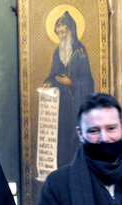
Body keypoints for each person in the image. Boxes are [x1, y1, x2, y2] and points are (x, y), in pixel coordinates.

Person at [42, 11, 95, 167]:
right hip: (61, 103)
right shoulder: (57, 52)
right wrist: (49, 82)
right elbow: (53, 74)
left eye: (63, 32)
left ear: (71, 31)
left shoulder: (80, 52)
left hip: (76, 103)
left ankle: (76, 166)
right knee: (62, 135)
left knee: (74, 135)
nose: (61, 36)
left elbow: (88, 80)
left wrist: (71, 81)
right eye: (58, 33)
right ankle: (62, 166)